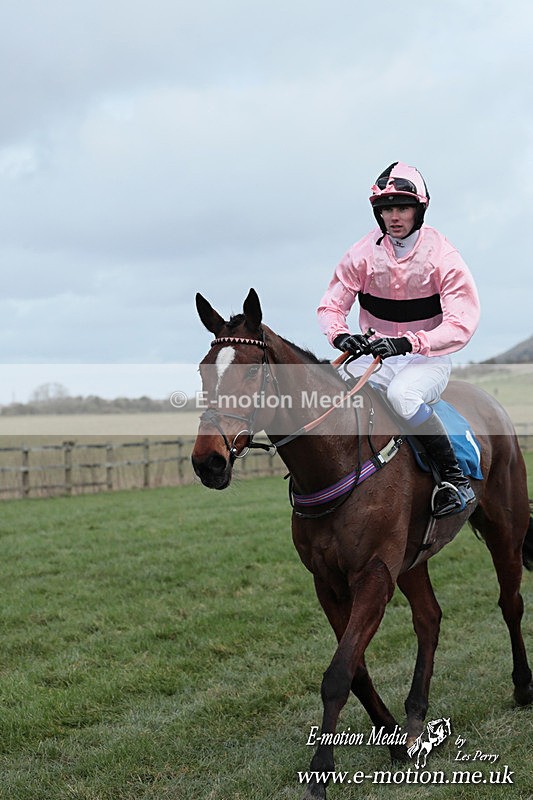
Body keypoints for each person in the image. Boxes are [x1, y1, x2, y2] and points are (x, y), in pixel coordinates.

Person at [317, 161, 480, 518]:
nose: (394, 216)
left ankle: (454, 480)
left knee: (402, 397)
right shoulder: (360, 254)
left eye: (402, 207)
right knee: (330, 391)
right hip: (374, 354)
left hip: (426, 359)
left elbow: (461, 324)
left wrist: (410, 343)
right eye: (387, 208)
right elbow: (331, 306)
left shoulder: (444, 257)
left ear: (419, 209)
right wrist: (341, 335)